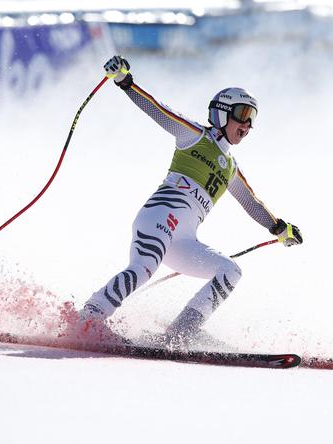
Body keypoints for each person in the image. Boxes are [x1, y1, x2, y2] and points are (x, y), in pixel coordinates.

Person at [73, 55, 303, 345]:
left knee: (230, 270)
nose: (247, 124)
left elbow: (251, 202)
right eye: (242, 114)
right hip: (159, 218)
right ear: (222, 112)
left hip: (182, 240)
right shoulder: (195, 136)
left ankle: (181, 332)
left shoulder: (230, 167)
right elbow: (159, 111)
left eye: (252, 118)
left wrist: (279, 228)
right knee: (143, 267)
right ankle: (88, 318)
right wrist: (125, 82)